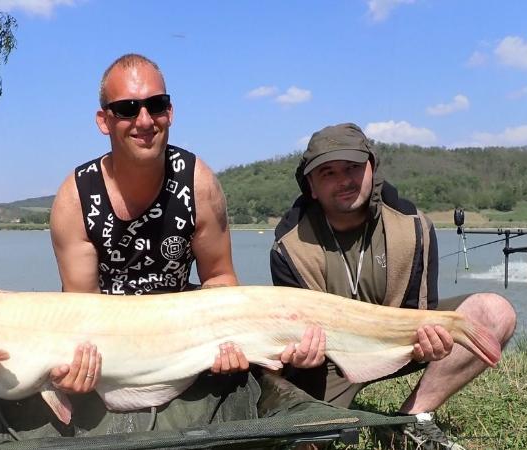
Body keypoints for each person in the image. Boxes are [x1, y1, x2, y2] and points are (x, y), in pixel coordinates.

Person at [48, 54, 324, 399]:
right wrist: (79, 363)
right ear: (104, 120)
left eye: (156, 105)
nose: (144, 120)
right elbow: (80, 309)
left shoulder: (199, 184)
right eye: (127, 109)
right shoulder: (76, 198)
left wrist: (225, 339)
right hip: (110, 344)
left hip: (187, 337)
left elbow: (219, 277)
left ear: (171, 111)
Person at [270, 122, 517, 449]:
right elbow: (296, 338)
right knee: (303, 444)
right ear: (310, 186)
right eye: (328, 173)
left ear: (372, 167)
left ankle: (409, 421)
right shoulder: (288, 247)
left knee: (494, 311)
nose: (344, 180)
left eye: (353, 168)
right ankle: (312, 421)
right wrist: (299, 356)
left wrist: (434, 343)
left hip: (399, 343)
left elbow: (422, 316)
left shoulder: (414, 226)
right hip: (329, 361)